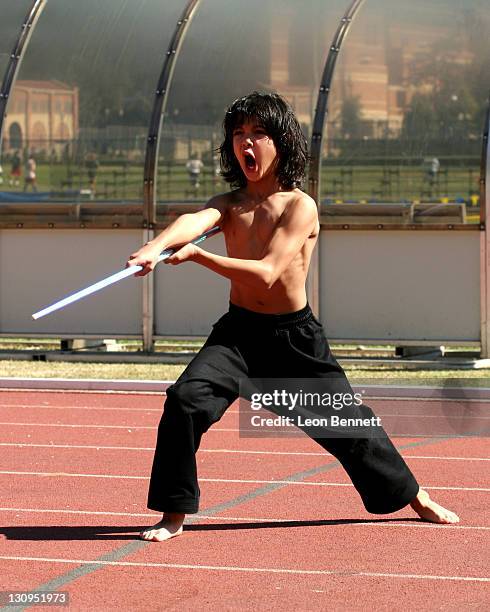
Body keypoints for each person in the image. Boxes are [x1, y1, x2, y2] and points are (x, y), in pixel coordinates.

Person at [127, 92, 459, 542]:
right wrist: (154, 247)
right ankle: (173, 515)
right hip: (237, 336)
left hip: (293, 341)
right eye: (238, 134)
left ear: (280, 141)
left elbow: (266, 272)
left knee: (351, 428)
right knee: (184, 401)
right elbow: (195, 218)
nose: (247, 143)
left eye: (258, 133)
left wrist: (199, 257)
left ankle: (415, 496)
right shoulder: (229, 203)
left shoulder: (299, 206)